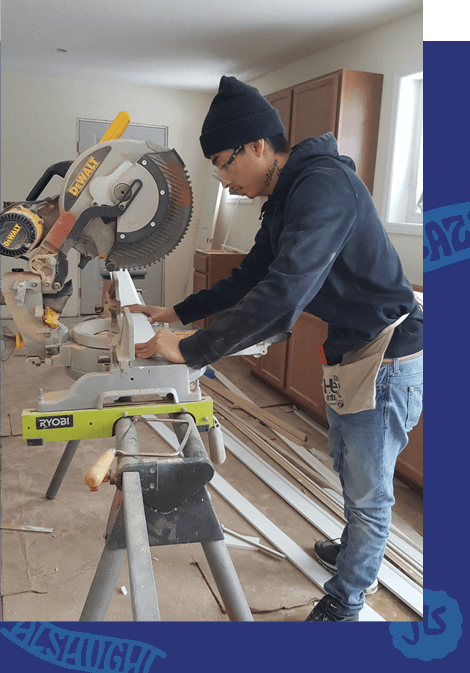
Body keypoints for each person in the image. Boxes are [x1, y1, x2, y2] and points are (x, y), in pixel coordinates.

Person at [126, 75, 423, 622]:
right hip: (352, 346)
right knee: (348, 463)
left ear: (258, 145)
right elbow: (250, 276)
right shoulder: (285, 196)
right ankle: (356, 548)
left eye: (223, 161)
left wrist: (193, 351)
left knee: (369, 486)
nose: (222, 177)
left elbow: (284, 292)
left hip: (387, 353)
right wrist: (177, 313)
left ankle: (348, 596)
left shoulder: (322, 187)